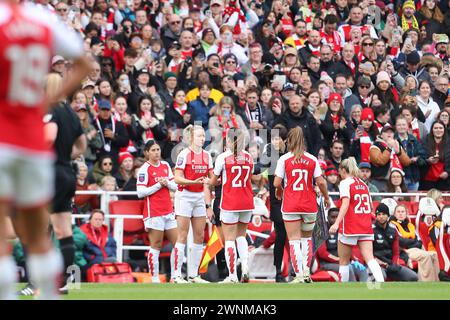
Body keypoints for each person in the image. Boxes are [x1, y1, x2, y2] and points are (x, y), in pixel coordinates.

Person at [0, 0, 90, 300]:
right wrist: (50, 99)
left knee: (4, 234)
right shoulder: (42, 19)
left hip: (4, 139)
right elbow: (84, 63)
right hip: (35, 148)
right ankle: (51, 293)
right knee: (40, 234)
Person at [43, 73, 88, 294]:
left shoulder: (50, 110)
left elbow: (48, 137)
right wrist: (67, 155)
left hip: (49, 172)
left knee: (40, 227)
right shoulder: (71, 113)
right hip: (67, 172)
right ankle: (62, 282)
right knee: (63, 230)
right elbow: (82, 143)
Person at [274, 127, 331, 283]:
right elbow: (321, 182)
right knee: (307, 239)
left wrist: (279, 191)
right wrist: (326, 197)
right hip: (309, 205)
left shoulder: (284, 159)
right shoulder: (312, 159)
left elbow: (276, 182)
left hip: (291, 204)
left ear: (289, 141)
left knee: (293, 240)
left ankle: (298, 275)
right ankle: (306, 274)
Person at [328, 157, 385, 283]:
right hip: (365, 225)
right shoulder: (363, 184)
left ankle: (343, 289)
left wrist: (336, 223)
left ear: (343, 170)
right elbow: (370, 206)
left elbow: (345, 203)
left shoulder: (344, 183)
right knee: (370, 258)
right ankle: (381, 283)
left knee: (343, 261)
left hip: (350, 225)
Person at [209, 129, 253, 283]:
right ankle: (246, 267)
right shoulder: (249, 157)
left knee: (229, 239)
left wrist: (210, 182)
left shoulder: (223, 157)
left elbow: (213, 182)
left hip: (230, 201)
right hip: (247, 200)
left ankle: (233, 275)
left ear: (228, 140)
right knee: (241, 236)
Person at [173, 125, 213, 283]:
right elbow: (177, 177)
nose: (202, 138)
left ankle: (194, 274)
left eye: (203, 136)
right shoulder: (184, 154)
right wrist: (192, 181)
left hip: (199, 196)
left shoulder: (207, 156)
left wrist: (212, 181)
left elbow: (211, 178)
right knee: (182, 235)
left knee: (200, 235)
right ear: (191, 138)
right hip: (185, 195)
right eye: (199, 136)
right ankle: (176, 275)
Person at [136, 140, 178, 283]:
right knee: (156, 245)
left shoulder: (165, 165)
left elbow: (175, 187)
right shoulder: (144, 169)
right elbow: (140, 192)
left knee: (178, 243)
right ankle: (154, 278)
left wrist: (167, 183)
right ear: (147, 152)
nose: (156, 153)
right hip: (153, 212)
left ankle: (175, 276)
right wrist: (158, 185)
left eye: (158, 150)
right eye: (153, 150)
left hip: (168, 210)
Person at [390, 204, 440, 281]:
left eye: (402, 212)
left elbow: (419, 241)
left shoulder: (410, 225)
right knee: (425, 255)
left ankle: (438, 280)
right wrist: (413, 242)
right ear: (394, 214)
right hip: (404, 251)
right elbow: (401, 241)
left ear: (406, 213)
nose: (400, 213)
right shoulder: (392, 225)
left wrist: (411, 243)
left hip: (415, 249)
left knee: (434, 254)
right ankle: (426, 282)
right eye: (398, 212)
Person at [317, 207, 368, 282]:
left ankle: (364, 290)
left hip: (343, 261)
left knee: (362, 269)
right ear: (327, 218)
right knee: (348, 268)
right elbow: (322, 253)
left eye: (337, 217)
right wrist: (338, 260)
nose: (335, 220)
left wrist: (353, 260)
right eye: (332, 217)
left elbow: (347, 249)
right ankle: (351, 291)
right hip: (327, 263)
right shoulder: (322, 231)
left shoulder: (344, 230)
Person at [371, 203, 418, 281]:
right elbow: (369, 253)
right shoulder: (371, 230)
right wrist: (381, 263)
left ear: (388, 216)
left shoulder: (393, 230)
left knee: (413, 277)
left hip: (390, 264)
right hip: (378, 264)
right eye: (379, 214)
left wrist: (394, 264)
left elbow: (396, 252)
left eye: (383, 214)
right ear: (376, 216)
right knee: (380, 277)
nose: (381, 217)